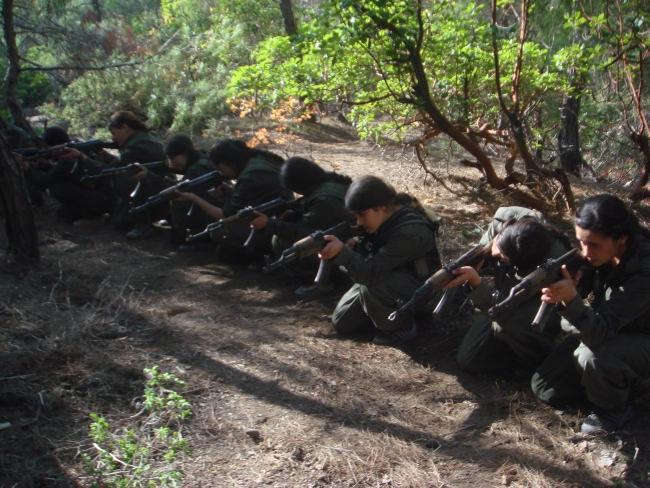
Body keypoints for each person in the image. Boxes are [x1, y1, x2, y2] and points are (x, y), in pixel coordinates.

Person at [531, 194, 650, 434]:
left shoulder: (644, 270)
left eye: (593, 244)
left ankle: (614, 411)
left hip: (639, 337)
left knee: (592, 355)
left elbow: (598, 333)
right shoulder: (603, 256)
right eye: (581, 242)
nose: (585, 252)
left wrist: (571, 300)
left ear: (621, 239)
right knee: (544, 388)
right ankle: (617, 381)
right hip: (620, 330)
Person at [444, 207, 572, 376]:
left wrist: (476, 283)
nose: (498, 255)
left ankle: (534, 363)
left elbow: (503, 305)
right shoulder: (507, 222)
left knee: (504, 327)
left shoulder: (548, 263)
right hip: (505, 296)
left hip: (540, 305)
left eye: (504, 257)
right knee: (469, 358)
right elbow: (483, 252)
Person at [319, 175, 441, 346]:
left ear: (382, 208)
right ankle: (385, 312)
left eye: (362, 215)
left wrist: (344, 253)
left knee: (372, 283)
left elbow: (371, 273)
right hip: (393, 279)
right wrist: (354, 246)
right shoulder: (385, 218)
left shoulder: (410, 231)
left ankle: (402, 328)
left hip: (423, 290)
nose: (359, 222)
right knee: (342, 321)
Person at [249, 156, 354, 293]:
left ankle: (319, 280)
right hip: (345, 239)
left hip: (343, 245)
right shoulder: (330, 183)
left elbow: (306, 233)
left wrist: (271, 224)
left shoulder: (325, 199)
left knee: (281, 241)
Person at [177, 139, 290, 261]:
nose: (222, 174)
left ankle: (258, 255)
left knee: (218, 231)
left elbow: (224, 216)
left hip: (276, 226)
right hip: (279, 218)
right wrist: (230, 191)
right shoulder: (258, 160)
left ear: (231, 163)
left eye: (221, 169)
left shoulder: (251, 174)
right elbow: (256, 196)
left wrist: (193, 197)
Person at [59, 111, 166, 237]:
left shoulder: (137, 146)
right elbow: (122, 163)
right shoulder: (144, 137)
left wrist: (82, 157)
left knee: (124, 178)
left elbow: (109, 172)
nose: (113, 138)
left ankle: (143, 224)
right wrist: (108, 157)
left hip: (156, 191)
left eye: (114, 133)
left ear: (125, 128)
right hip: (158, 187)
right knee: (119, 222)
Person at [131, 135, 217, 247]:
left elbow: (177, 192)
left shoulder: (198, 169)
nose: (171, 163)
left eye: (173, 158)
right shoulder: (200, 158)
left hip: (206, 217)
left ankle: (193, 237)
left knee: (179, 201)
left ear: (185, 154)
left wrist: (150, 176)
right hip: (208, 211)